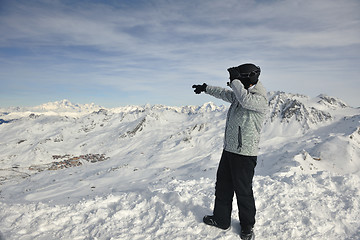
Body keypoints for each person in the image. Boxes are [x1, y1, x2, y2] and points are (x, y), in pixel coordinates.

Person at [192, 63, 268, 240]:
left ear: (247, 79)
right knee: (223, 186)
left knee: (243, 191)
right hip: (230, 150)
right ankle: (221, 219)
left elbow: (244, 100)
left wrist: (235, 80)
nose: (234, 83)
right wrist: (206, 88)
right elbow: (225, 93)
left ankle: (247, 226)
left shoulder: (259, 99)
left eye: (238, 79)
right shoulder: (242, 95)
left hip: (245, 154)